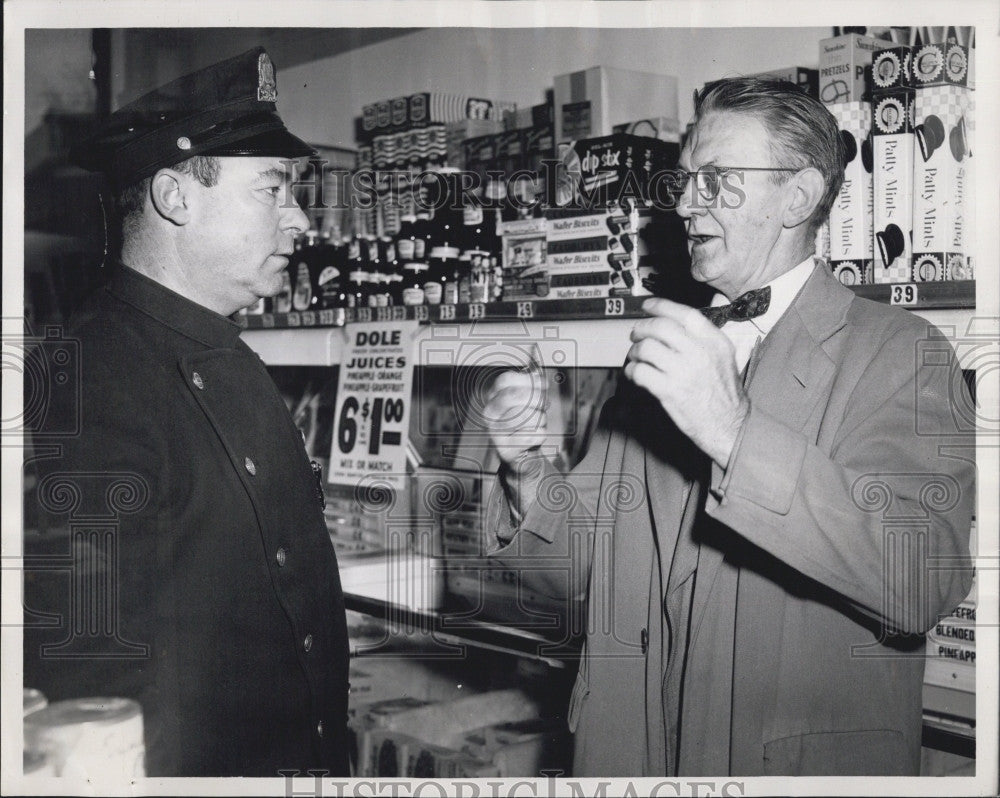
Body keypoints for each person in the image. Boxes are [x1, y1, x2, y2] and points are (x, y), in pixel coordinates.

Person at [484, 77, 975, 777]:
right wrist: (528, 471)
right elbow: (573, 574)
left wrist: (734, 433)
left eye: (715, 180)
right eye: (686, 181)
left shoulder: (904, 352)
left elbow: (920, 579)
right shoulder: (662, 350)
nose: (684, 204)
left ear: (798, 196)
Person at [22, 48, 350, 777]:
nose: (300, 221)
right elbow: (93, 691)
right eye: (273, 189)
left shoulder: (228, 353)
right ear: (177, 197)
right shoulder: (90, 380)